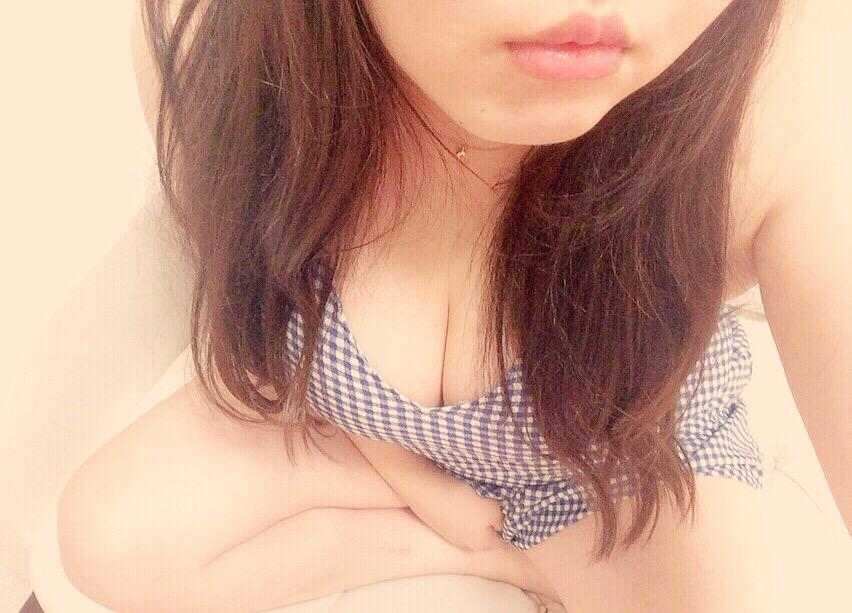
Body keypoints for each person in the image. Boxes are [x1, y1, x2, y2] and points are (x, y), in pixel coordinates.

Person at [56, 1, 850, 612]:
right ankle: (501, 561)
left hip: (612, 476)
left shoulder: (781, 101)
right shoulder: (209, 46)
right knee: (106, 533)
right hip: (369, 444)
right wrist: (428, 494)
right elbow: (259, 315)